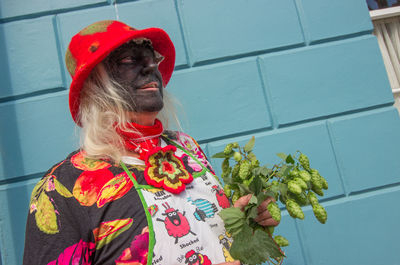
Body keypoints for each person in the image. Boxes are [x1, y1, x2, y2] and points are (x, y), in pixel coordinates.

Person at [23, 20, 279, 265]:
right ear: (94, 84)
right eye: (128, 60)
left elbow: (206, 233)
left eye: (152, 58)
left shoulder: (185, 147)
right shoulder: (63, 187)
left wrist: (243, 222)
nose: (150, 68)